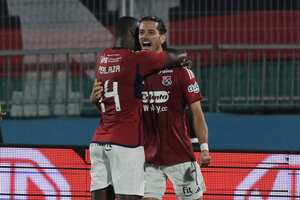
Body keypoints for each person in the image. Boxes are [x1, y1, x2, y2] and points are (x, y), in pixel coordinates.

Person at [89, 16, 190, 200]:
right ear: (131, 34)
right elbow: (178, 55)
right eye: (139, 33)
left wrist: (93, 100)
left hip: (98, 143)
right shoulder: (136, 60)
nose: (141, 38)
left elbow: (101, 99)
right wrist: (182, 59)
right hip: (126, 143)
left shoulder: (102, 57)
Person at [138, 16, 211, 200]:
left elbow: (197, 113)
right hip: (149, 159)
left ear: (162, 37)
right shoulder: (135, 72)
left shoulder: (182, 72)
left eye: (151, 32)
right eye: (141, 32)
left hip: (181, 159)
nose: (144, 36)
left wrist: (204, 147)